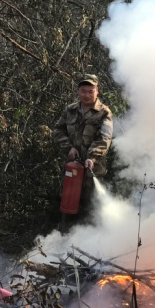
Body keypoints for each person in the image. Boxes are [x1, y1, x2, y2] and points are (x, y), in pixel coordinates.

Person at [52, 74, 113, 218]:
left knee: (92, 211)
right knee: (68, 206)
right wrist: (69, 148)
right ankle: (67, 230)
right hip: (72, 169)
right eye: (83, 91)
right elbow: (58, 131)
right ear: (78, 91)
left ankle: (90, 232)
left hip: (93, 171)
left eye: (91, 91)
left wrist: (92, 157)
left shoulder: (104, 113)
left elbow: (104, 139)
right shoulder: (70, 110)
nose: (87, 95)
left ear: (97, 91)